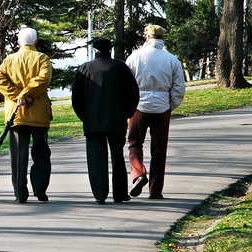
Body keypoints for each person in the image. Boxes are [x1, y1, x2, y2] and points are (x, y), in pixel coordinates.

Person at [72, 38, 140, 204]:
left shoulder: (84, 69)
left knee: (96, 159)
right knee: (117, 157)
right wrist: (127, 113)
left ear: (94, 51)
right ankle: (120, 194)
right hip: (116, 121)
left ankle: (100, 194)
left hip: (93, 122)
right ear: (110, 50)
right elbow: (133, 93)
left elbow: (76, 99)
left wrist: (85, 117)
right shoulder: (120, 67)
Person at [125, 25, 186, 199]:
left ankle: (139, 173)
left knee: (134, 142)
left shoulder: (135, 56)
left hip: (139, 106)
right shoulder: (172, 59)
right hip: (162, 107)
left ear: (147, 37)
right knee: (159, 149)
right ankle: (156, 190)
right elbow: (178, 87)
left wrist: (130, 105)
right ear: (162, 39)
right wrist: (170, 105)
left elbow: (127, 84)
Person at [0, 27, 53, 203]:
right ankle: (40, 189)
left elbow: (0, 81)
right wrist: (26, 95)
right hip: (39, 114)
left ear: (18, 42)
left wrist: (18, 96)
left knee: (18, 157)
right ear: (36, 42)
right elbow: (43, 80)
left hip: (16, 114)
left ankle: (20, 194)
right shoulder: (42, 58)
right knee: (41, 153)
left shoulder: (9, 60)